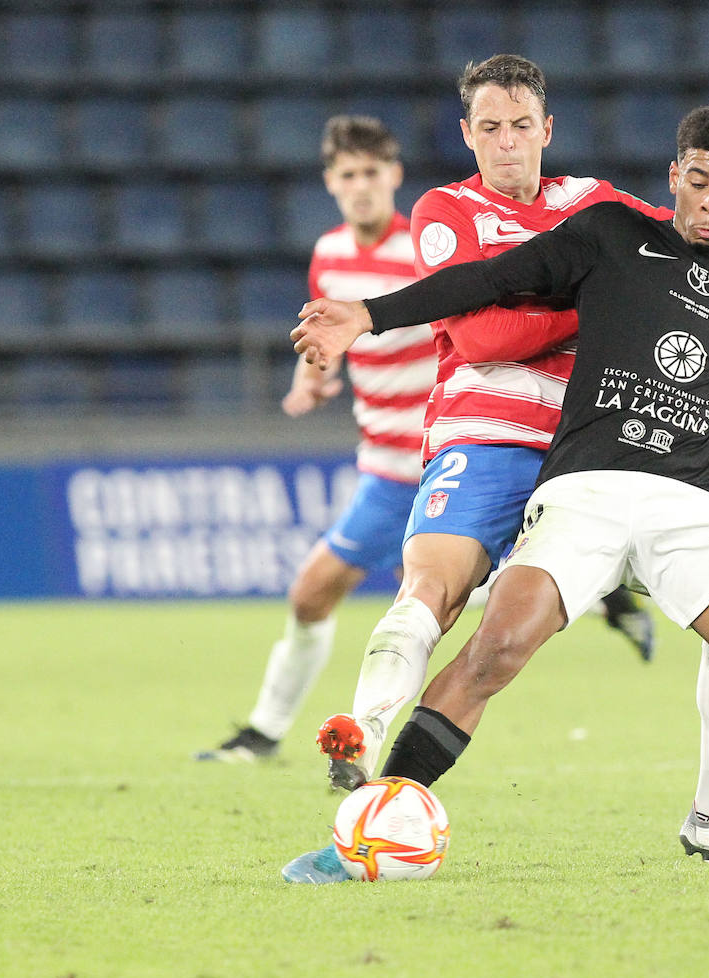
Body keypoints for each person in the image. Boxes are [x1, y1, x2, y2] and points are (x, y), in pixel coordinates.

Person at [287, 103, 709, 878]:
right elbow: (488, 277)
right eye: (698, 180)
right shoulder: (608, 232)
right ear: (674, 178)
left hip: (686, 502)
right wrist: (369, 316)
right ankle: (374, 824)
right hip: (581, 489)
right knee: (494, 649)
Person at [193, 113, 648, 765]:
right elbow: (327, 325)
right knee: (314, 593)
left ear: (395, 176)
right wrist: (312, 374)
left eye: (372, 173)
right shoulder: (329, 254)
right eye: (348, 175)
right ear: (330, 182)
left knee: (452, 590)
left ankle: (601, 595)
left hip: (453, 450)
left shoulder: (432, 245)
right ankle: (266, 730)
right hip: (384, 467)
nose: (361, 187)